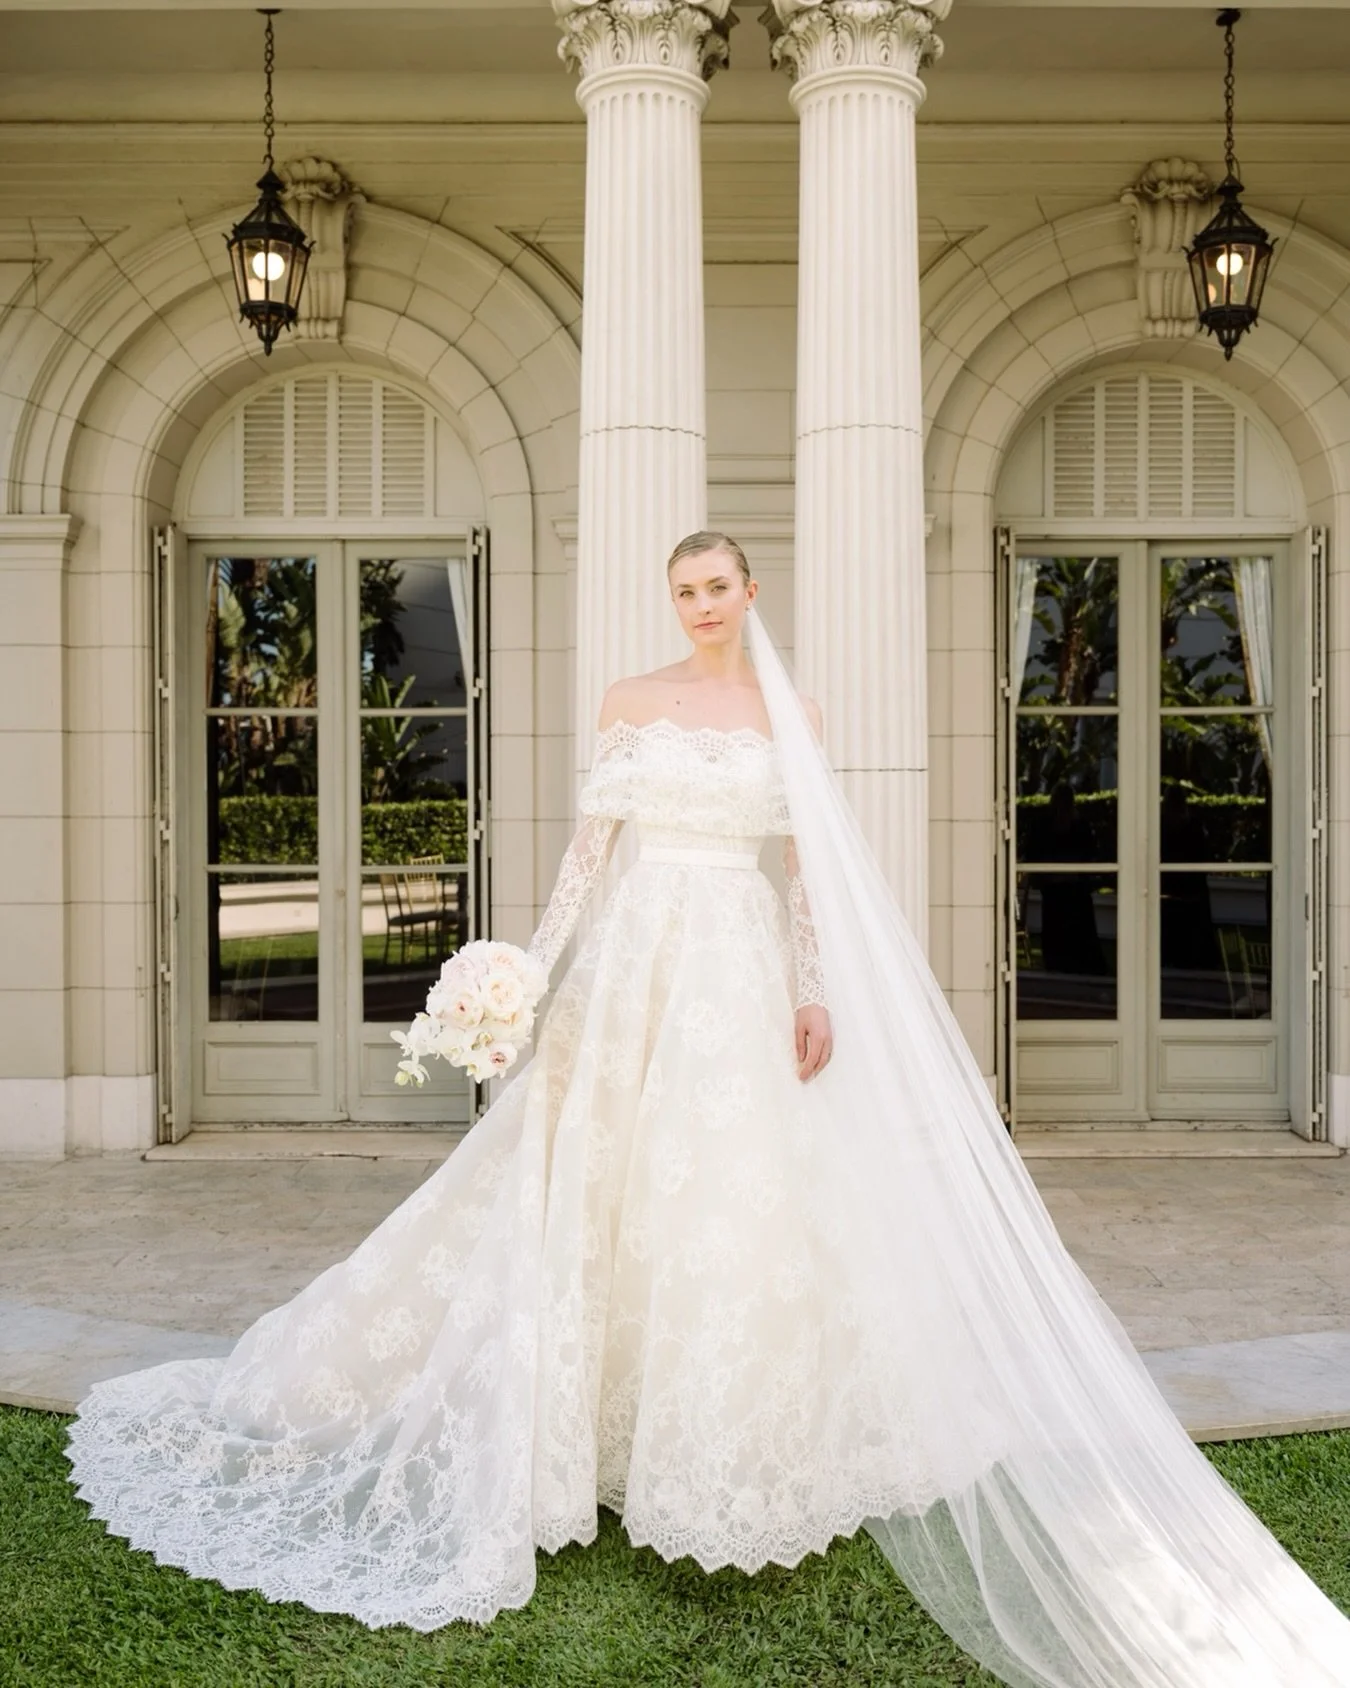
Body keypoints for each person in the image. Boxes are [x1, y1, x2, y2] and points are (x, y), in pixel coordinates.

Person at [67, 533, 1350, 1685]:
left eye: (716, 586)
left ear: (749, 592)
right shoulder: (630, 703)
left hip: (735, 966)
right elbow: (588, 860)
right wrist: (523, 973)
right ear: (670, 597)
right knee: (597, 1181)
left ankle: (714, 1440)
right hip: (631, 970)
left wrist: (812, 992)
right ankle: (576, 1431)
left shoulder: (798, 710)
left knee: (735, 1190)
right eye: (681, 589)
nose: (699, 605)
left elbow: (801, 875)